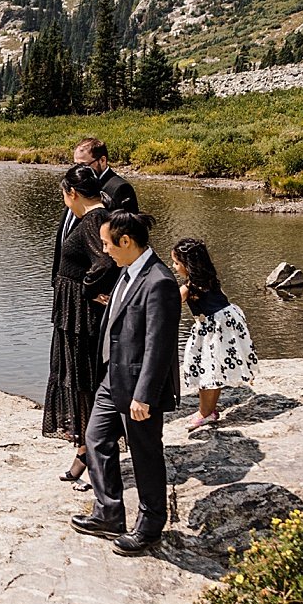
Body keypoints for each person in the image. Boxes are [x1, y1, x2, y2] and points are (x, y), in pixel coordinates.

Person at [72, 210, 180, 556]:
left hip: (138, 388)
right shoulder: (127, 272)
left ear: (126, 241)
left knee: (146, 455)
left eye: (107, 244)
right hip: (112, 378)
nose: (104, 251)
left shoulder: (158, 281)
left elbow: (160, 346)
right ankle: (109, 513)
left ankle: (150, 525)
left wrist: (145, 395)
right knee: (96, 438)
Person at [43, 165, 119, 489]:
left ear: (72, 193)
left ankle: (93, 459)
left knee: (84, 383)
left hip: (80, 317)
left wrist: (88, 289)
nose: (65, 202)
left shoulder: (92, 219)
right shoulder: (94, 217)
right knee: (77, 383)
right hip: (73, 316)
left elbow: (105, 262)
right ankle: (84, 451)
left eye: (64, 196)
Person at [171, 238, 258, 432]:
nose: (173, 266)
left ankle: (206, 412)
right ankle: (207, 409)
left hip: (215, 327)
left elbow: (169, 303)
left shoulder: (190, 287)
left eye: (176, 263)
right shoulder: (209, 278)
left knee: (208, 370)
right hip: (226, 320)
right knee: (212, 368)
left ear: (187, 265)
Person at [74, 136, 139, 213]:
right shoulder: (76, 185)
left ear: (102, 160)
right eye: (76, 165)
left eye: (84, 165)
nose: (78, 170)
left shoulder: (121, 188)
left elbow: (129, 222)